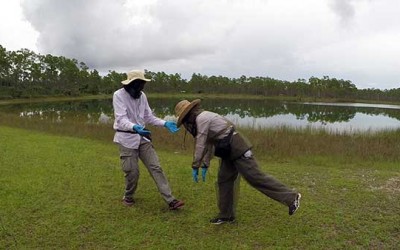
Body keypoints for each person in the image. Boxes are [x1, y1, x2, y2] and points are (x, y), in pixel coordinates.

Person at [174, 99, 301, 224]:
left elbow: (201, 143)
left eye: (184, 119)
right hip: (226, 151)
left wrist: (195, 165)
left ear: (189, 113)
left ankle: (291, 197)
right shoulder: (200, 119)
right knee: (224, 180)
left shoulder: (202, 118)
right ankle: (226, 215)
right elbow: (209, 144)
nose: (185, 123)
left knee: (255, 177)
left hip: (237, 147)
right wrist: (205, 164)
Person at [113, 69, 184, 210]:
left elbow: (148, 117)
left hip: (143, 137)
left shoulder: (142, 96)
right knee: (132, 172)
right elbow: (121, 119)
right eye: (138, 84)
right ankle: (128, 196)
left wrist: (165, 123)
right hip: (126, 138)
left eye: (142, 84)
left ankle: (171, 200)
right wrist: (135, 127)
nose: (141, 88)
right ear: (130, 84)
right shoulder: (118, 95)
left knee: (156, 167)